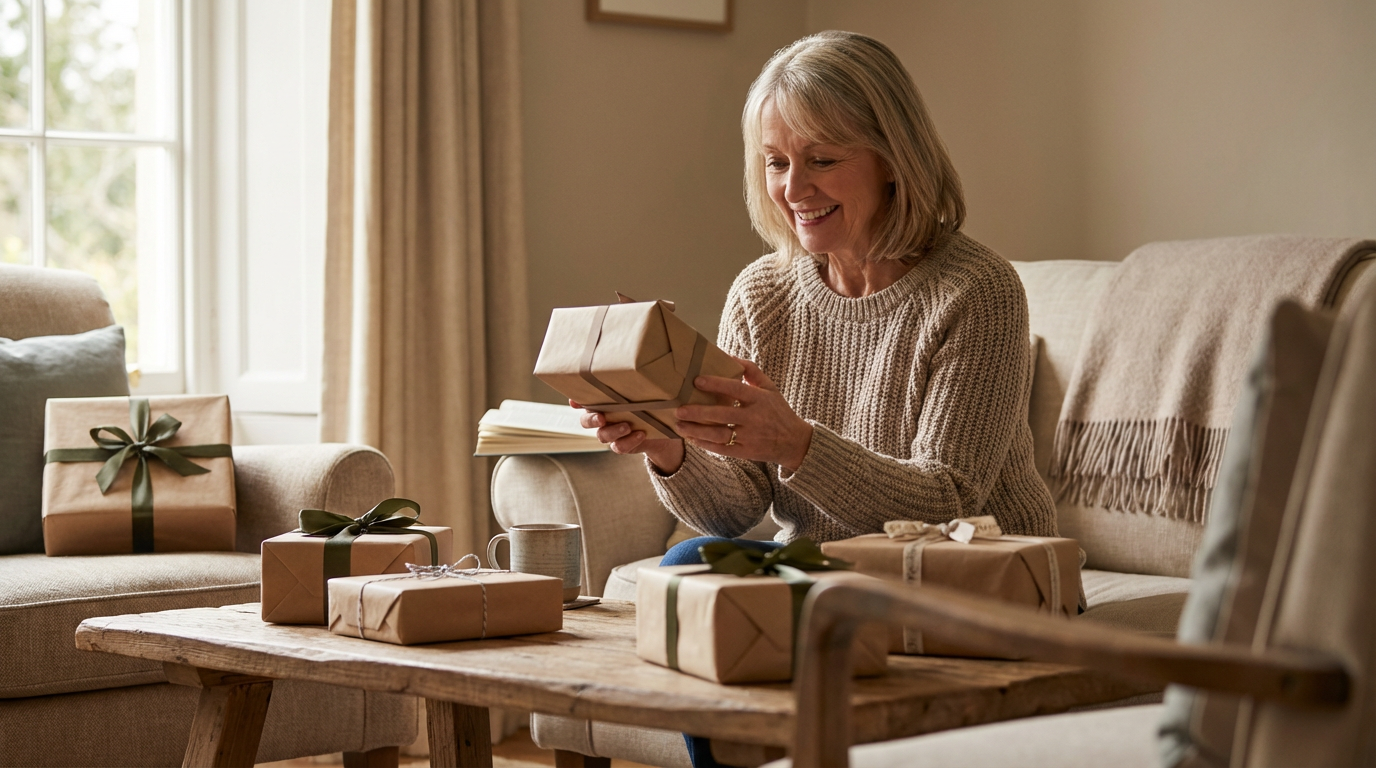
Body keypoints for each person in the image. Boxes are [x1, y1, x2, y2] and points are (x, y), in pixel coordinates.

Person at [579, 30, 1059, 768]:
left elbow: (950, 500)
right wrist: (668, 445)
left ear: (895, 158)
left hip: (971, 581)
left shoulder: (978, 291)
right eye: (776, 163)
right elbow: (735, 510)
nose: (794, 190)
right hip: (832, 577)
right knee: (688, 566)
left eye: (823, 161)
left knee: (710, 581)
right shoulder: (763, 294)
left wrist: (797, 444)